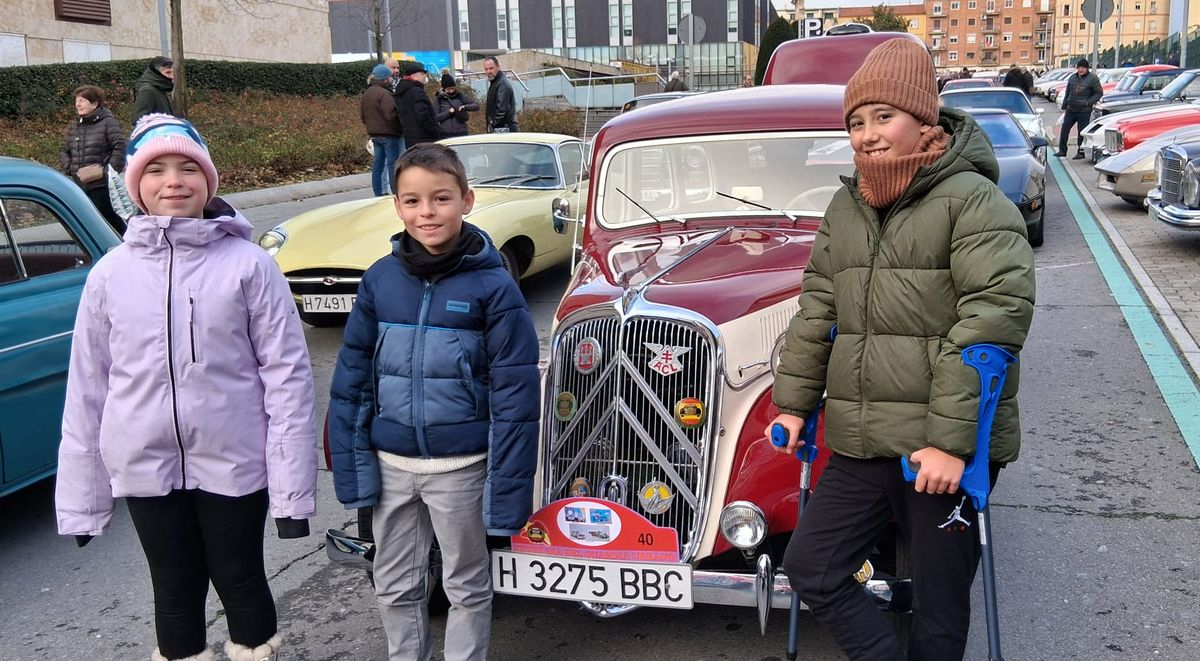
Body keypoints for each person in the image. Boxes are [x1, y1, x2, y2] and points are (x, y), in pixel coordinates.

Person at [768, 38, 1035, 661]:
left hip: (943, 445)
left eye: (883, 117)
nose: (867, 135)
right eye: (856, 123)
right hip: (864, 435)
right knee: (812, 567)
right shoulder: (847, 205)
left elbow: (992, 320)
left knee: (938, 609)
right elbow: (818, 309)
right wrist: (794, 404)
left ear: (923, 119)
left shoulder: (973, 200)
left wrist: (949, 444)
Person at [55, 114, 318, 661]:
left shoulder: (249, 265)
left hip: (235, 460)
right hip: (144, 464)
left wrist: (292, 490)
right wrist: (83, 499)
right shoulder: (110, 274)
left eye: (187, 168)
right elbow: (88, 388)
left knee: (240, 576)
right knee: (173, 587)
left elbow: (287, 378)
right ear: (135, 186)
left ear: (208, 180)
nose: (173, 181)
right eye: (156, 170)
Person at [328, 143, 539, 661]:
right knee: (394, 583)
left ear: (466, 200)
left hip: (461, 468)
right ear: (397, 206)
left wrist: (506, 491)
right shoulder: (380, 280)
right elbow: (353, 378)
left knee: (466, 583)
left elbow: (515, 396)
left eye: (441, 198)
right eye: (413, 200)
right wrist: (353, 466)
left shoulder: (494, 287)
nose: (427, 212)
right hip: (392, 466)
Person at [59, 85, 127, 233]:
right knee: (89, 225)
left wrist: (107, 171)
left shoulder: (108, 123)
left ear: (94, 103)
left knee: (108, 224)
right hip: (80, 185)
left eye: (82, 101)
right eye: (76, 101)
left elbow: (120, 147)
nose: (78, 104)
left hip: (101, 186)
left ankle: (124, 243)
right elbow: (64, 150)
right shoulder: (75, 126)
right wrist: (69, 168)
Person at [362, 63, 404, 196]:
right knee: (393, 165)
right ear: (385, 79)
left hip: (375, 135)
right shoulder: (385, 94)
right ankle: (396, 193)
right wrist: (399, 129)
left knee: (378, 165)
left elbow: (363, 116)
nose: (392, 79)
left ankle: (378, 193)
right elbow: (391, 115)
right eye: (390, 77)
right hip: (389, 135)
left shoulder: (367, 93)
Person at [1058, 58, 1102, 159]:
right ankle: (1062, 151)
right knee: (1064, 129)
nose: (1081, 70)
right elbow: (1068, 92)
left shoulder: (1093, 78)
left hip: (1084, 110)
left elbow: (1099, 93)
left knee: (1081, 132)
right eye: (1079, 68)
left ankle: (1080, 152)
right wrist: (1064, 105)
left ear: (1087, 68)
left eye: (1083, 68)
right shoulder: (1072, 78)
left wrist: (1088, 102)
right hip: (1071, 109)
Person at [393, 61, 439, 148]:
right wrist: (435, 131)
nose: (425, 76)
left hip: (410, 137)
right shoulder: (416, 91)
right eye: (422, 74)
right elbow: (423, 115)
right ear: (413, 76)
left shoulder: (403, 91)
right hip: (424, 137)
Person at [132, 56, 175, 125]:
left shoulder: (162, 88)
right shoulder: (147, 90)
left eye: (172, 72)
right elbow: (139, 120)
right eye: (168, 72)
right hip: (157, 130)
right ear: (156, 73)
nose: (172, 76)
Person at [435, 72, 479, 139]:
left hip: (461, 134)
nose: (451, 91)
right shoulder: (439, 100)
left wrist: (465, 107)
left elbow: (476, 105)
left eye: (453, 88)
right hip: (445, 135)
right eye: (448, 89)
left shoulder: (460, 96)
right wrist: (448, 113)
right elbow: (435, 117)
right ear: (443, 89)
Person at [483, 55, 518, 132]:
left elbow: (501, 110)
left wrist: (493, 125)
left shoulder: (501, 84)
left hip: (504, 129)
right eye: (486, 69)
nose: (488, 71)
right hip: (503, 128)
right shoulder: (497, 82)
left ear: (498, 67)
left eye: (491, 68)